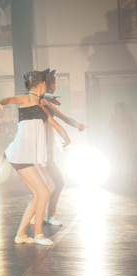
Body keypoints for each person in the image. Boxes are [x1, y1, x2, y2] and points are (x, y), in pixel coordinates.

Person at [0, 70, 70, 246]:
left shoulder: (41, 106)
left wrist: (67, 138)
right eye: (46, 84)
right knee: (43, 192)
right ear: (41, 84)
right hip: (19, 154)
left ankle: (21, 235)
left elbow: (55, 124)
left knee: (37, 195)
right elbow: (9, 100)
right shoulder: (26, 99)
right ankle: (38, 234)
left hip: (23, 156)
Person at [32, 70, 87, 226]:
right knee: (57, 182)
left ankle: (41, 214)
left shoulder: (47, 102)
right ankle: (47, 214)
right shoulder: (39, 100)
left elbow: (64, 118)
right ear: (50, 84)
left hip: (46, 148)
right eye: (55, 83)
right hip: (39, 148)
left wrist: (78, 125)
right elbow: (37, 97)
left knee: (53, 183)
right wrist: (48, 97)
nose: (56, 86)